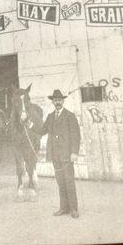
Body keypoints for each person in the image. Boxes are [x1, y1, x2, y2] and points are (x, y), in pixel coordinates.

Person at [26, 89, 81, 218]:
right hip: (55, 155)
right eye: (55, 100)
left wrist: (74, 152)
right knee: (60, 182)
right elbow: (42, 130)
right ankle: (63, 208)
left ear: (63, 101)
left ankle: (73, 209)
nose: (57, 102)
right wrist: (29, 124)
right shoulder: (50, 116)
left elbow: (76, 135)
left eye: (60, 100)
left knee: (69, 181)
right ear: (53, 102)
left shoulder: (70, 116)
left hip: (67, 155)